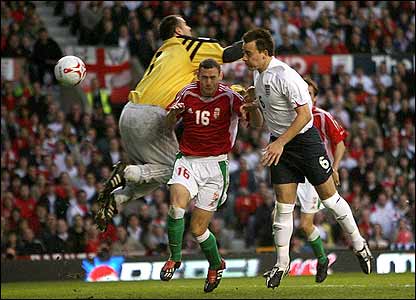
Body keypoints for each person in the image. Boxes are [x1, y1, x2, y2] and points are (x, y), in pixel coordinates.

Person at [241, 28, 374, 289]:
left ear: (265, 53)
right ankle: (281, 265)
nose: (244, 58)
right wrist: (252, 106)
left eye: (248, 53)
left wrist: (280, 142)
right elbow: (258, 124)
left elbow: (305, 116)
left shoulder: (286, 76)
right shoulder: (258, 77)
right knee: (283, 208)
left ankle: (360, 246)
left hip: (304, 142)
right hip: (281, 144)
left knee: (331, 200)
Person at [94, 15, 244, 231]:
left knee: (153, 173)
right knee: (179, 169)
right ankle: (126, 172)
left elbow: (210, 89)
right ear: (178, 32)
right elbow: (228, 54)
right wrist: (252, 42)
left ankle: (119, 199)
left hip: (128, 114)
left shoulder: (165, 54)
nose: (190, 28)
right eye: (186, 25)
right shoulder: (184, 45)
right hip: (152, 116)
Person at [159, 58, 262, 293]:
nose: (207, 82)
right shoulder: (186, 93)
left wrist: (254, 107)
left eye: (212, 77)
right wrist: (173, 116)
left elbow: (256, 124)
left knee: (197, 230)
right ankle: (174, 257)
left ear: (220, 76)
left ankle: (216, 264)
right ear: (198, 76)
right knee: (176, 206)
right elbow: (167, 125)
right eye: (203, 77)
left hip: (215, 167)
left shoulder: (230, 97)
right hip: (187, 160)